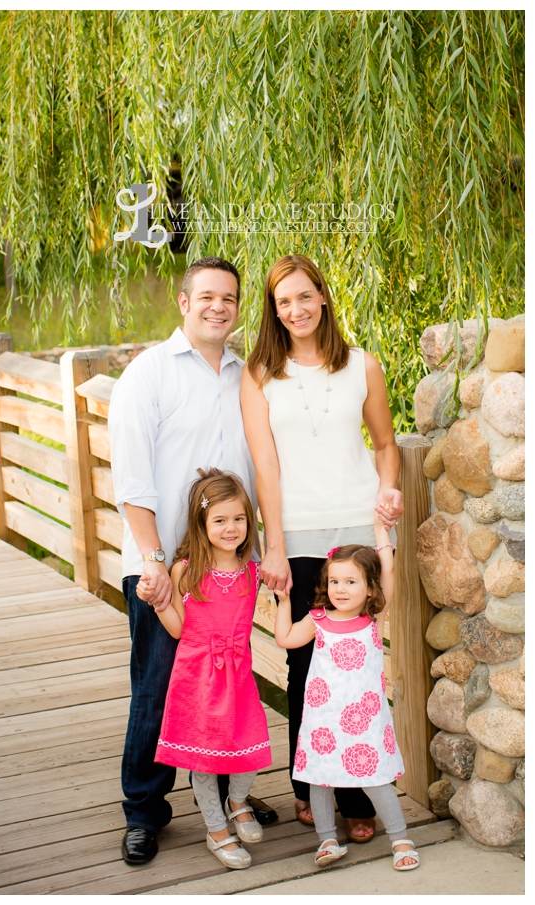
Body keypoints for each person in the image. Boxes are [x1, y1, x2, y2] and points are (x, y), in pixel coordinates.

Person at [108, 257, 277, 867]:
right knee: (158, 688)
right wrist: (154, 560)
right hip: (166, 571)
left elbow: (262, 464)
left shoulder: (247, 375)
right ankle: (145, 810)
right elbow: (131, 478)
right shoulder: (147, 375)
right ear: (183, 302)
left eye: (229, 298)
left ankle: (230, 792)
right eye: (207, 296)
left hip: (229, 566)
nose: (219, 307)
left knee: (226, 689)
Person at [240, 253, 404, 839]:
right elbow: (264, 467)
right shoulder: (260, 372)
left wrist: (388, 492)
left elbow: (385, 445)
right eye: (284, 302)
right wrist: (275, 546)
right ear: (274, 311)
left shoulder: (363, 365)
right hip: (301, 534)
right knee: (307, 664)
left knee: (357, 667)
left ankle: (359, 794)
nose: (296, 309)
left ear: (323, 298)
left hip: (360, 531)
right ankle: (311, 787)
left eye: (304, 296)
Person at [138, 469, 271, 870]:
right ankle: (216, 829)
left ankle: (237, 801)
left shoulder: (253, 571)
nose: (231, 528)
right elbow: (179, 628)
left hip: (238, 675)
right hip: (197, 676)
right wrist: (158, 601)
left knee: (250, 747)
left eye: (239, 519)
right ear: (202, 523)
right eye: (220, 520)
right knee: (203, 760)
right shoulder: (187, 569)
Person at [274, 509, 420, 871]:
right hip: (323, 721)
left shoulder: (371, 619)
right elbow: (285, 639)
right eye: (335, 581)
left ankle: (400, 838)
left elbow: (388, 568)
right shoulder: (317, 619)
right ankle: (326, 840)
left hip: (365, 722)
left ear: (370, 588)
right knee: (320, 780)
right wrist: (283, 603)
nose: (341, 589)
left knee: (375, 780)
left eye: (351, 582)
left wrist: (379, 530)